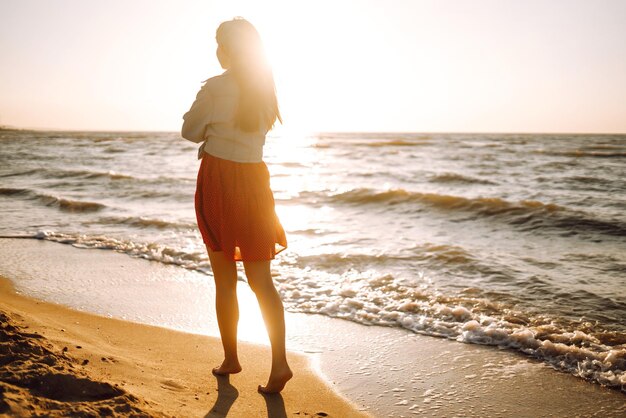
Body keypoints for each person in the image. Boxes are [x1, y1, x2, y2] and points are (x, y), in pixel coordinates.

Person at [181, 17, 292, 394]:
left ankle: (231, 359)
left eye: (219, 44)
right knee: (263, 282)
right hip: (256, 184)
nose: (217, 51)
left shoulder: (215, 88)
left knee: (225, 281)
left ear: (228, 49)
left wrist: (211, 125)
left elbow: (189, 130)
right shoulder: (265, 91)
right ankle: (280, 364)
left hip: (219, 182)